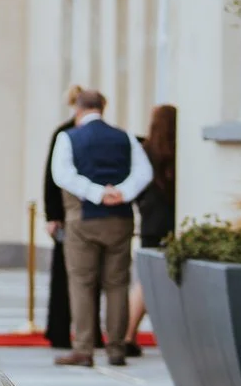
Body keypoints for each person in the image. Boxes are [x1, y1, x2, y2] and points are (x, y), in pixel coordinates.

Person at [49, 87, 152, 367]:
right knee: (117, 283)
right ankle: (116, 348)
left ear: (78, 109)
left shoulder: (68, 137)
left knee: (82, 283)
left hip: (84, 219)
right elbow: (144, 173)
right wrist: (121, 192)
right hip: (120, 218)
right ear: (103, 108)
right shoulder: (125, 137)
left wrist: (95, 193)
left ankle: (83, 349)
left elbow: (62, 175)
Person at [122, 103, 178, 358]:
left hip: (150, 221)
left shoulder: (143, 150)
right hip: (174, 221)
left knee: (144, 280)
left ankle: (129, 333)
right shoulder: (181, 151)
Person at [39, 85, 81, 349]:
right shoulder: (64, 133)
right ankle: (59, 330)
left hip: (73, 214)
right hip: (68, 214)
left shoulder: (69, 132)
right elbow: (52, 178)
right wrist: (53, 214)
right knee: (64, 274)